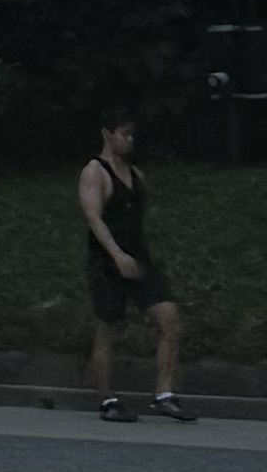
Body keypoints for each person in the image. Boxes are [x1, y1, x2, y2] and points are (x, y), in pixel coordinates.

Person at [77, 111, 194, 426]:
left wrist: (137, 256)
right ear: (107, 134)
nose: (129, 141)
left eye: (132, 135)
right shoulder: (94, 172)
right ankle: (107, 399)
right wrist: (116, 255)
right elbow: (94, 218)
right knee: (107, 330)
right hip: (108, 262)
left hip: (139, 259)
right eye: (123, 134)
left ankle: (164, 394)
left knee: (170, 317)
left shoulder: (136, 175)